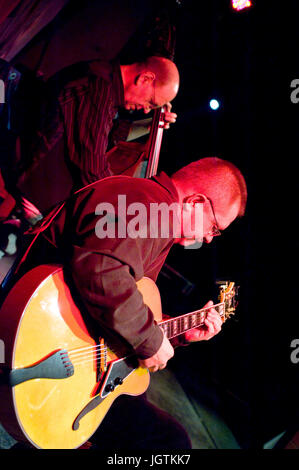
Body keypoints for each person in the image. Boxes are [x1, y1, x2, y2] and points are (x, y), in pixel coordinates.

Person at [6, 156, 247, 449]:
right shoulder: (149, 204)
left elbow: (122, 294)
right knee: (168, 443)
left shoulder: (150, 208)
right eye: (214, 227)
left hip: (74, 350)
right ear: (196, 201)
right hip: (49, 345)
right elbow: (102, 272)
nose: (210, 239)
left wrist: (182, 334)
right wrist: (148, 340)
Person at [14, 55, 179, 218]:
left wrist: (149, 125)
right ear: (145, 79)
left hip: (39, 191)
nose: (146, 110)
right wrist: (125, 211)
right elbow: (92, 165)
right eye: (151, 101)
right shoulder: (98, 88)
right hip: (33, 193)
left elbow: (107, 131)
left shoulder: (103, 79)